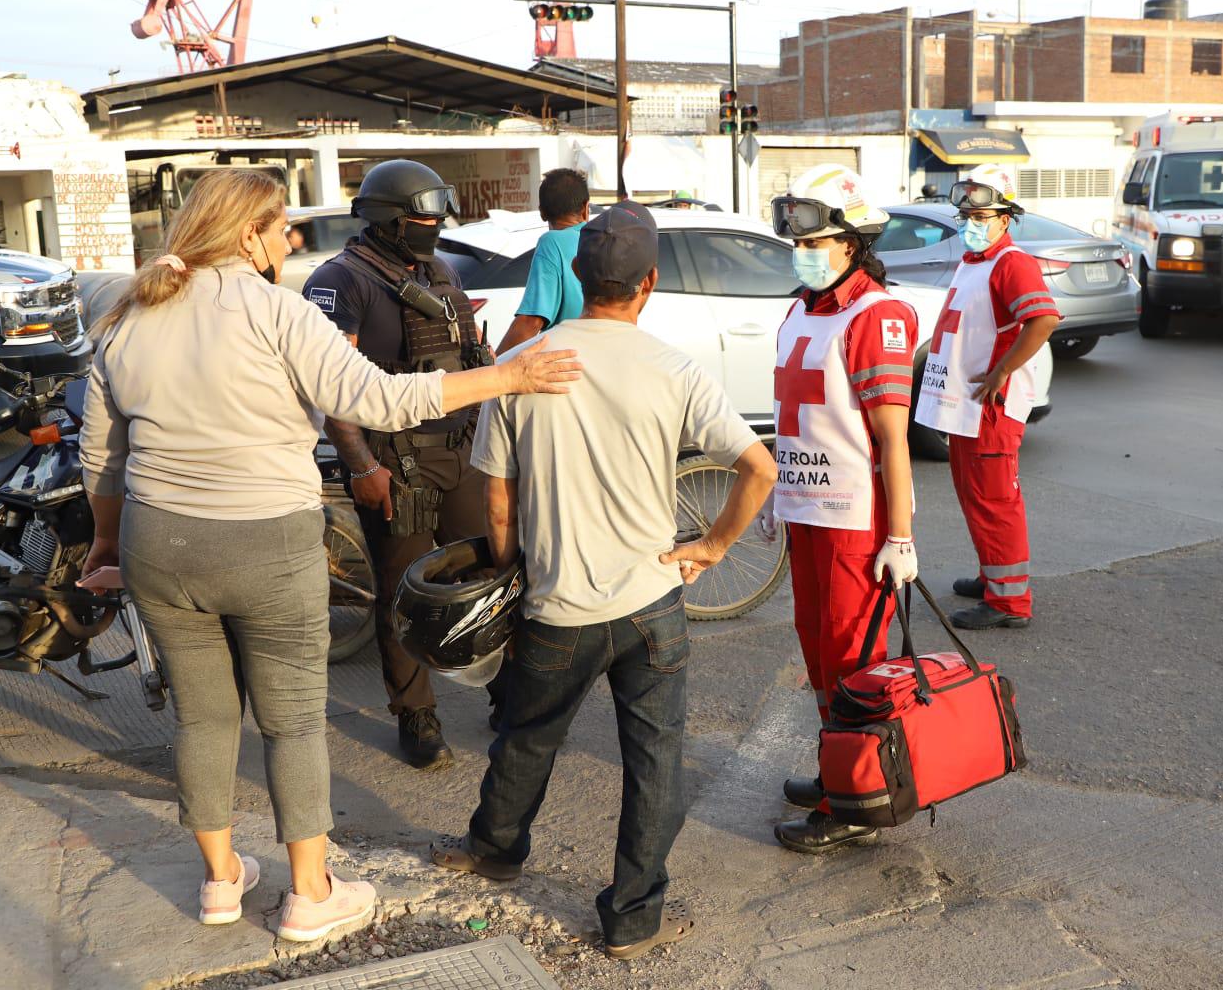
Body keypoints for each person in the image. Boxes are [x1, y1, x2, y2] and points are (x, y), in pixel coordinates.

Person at [78, 169, 579, 942]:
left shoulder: (129, 316)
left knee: (204, 720)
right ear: (246, 234)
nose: (292, 238)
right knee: (291, 723)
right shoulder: (279, 314)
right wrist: (510, 375)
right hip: (262, 539)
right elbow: (380, 400)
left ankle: (219, 883)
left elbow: (102, 458)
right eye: (280, 225)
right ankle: (309, 893)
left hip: (157, 541)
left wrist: (108, 543)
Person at [428, 202, 776, 960]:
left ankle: (494, 851)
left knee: (526, 738)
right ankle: (633, 919)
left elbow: (498, 498)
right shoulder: (676, 369)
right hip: (653, 603)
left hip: (557, 604)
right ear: (649, 282)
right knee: (655, 762)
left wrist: (514, 572)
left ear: (578, 276)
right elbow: (759, 468)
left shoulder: (528, 366)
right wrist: (711, 546)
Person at [303, 159, 497, 767]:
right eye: (421, 218)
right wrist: (361, 465)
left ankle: (508, 696)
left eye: (437, 218)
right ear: (388, 219)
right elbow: (329, 386)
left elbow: (471, 355)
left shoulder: (437, 270)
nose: (433, 228)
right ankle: (417, 716)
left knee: (490, 576)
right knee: (404, 594)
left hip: (461, 450)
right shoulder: (340, 280)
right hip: (396, 461)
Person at [763, 164, 920, 855]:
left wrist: (901, 536)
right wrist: (778, 487)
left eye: (818, 239)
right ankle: (840, 777)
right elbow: (793, 420)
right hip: (807, 516)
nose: (805, 251)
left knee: (853, 666)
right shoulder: (800, 309)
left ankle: (856, 801)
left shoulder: (876, 315)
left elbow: (892, 441)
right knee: (819, 657)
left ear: (853, 242)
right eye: (799, 239)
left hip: (855, 526)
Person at [913, 164, 1059, 630]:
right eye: (966, 215)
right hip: (966, 406)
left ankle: (1009, 602)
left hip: (990, 408)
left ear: (1005, 217)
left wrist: (1002, 371)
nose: (970, 223)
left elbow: (1043, 320)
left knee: (995, 501)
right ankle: (991, 576)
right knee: (975, 496)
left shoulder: (1012, 263)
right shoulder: (976, 262)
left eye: (981, 216)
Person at [495, 167, 591, 355]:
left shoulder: (552, 242)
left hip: (569, 366)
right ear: (586, 207)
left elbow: (532, 322)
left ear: (542, 212)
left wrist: (493, 367)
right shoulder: (602, 237)